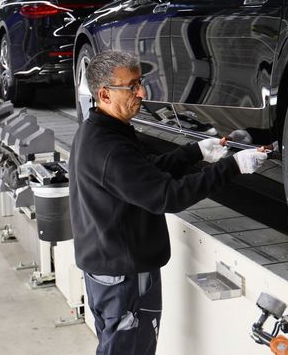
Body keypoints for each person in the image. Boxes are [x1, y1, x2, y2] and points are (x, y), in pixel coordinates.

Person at [69, 50, 267, 355]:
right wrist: (232, 167)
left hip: (108, 270)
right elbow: (167, 196)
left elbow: (144, 172)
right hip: (125, 279)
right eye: (132, 86)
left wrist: (195, 152)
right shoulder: (109, 149)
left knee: (118, 347)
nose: (142, 92)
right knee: (129, 349)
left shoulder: (100, 132)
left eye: (140, 82)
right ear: (104, 94)